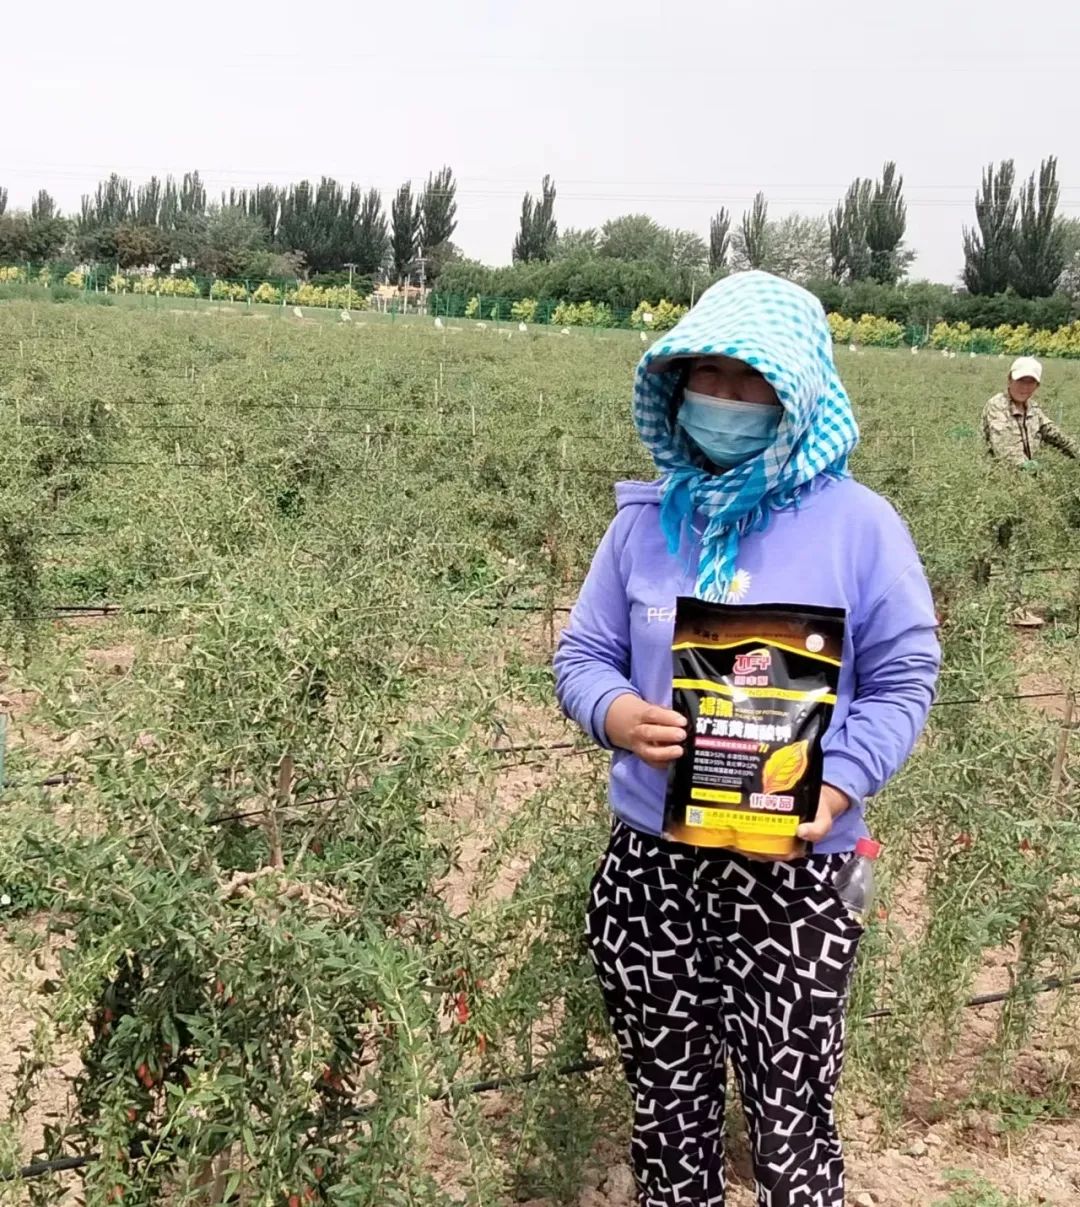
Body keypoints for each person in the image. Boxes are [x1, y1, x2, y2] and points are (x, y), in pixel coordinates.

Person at [554, 271, 940, 1207]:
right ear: (676, 385)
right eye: (707, 376)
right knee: (666, 1107)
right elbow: (583, 654)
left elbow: (905, 677)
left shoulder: (860, 527)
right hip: (653, 865)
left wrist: (838, 782)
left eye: (747, 381)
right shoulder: (644, 523)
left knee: (791, 1116)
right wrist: (613, 712)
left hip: (795, 876)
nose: (721, 401)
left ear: (794, 391)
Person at [982, 356, 1078, 466]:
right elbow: (1006, 450)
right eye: (1020, 381)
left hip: (1024, 477)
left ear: (1037, 386)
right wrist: (1026, 467)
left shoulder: (1032, 408)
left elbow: (1053, 433)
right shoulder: (997, 405)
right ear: (1009, 380)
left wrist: (1076, 451)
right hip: (998, 476)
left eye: (1030, 382)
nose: (1024, 387)